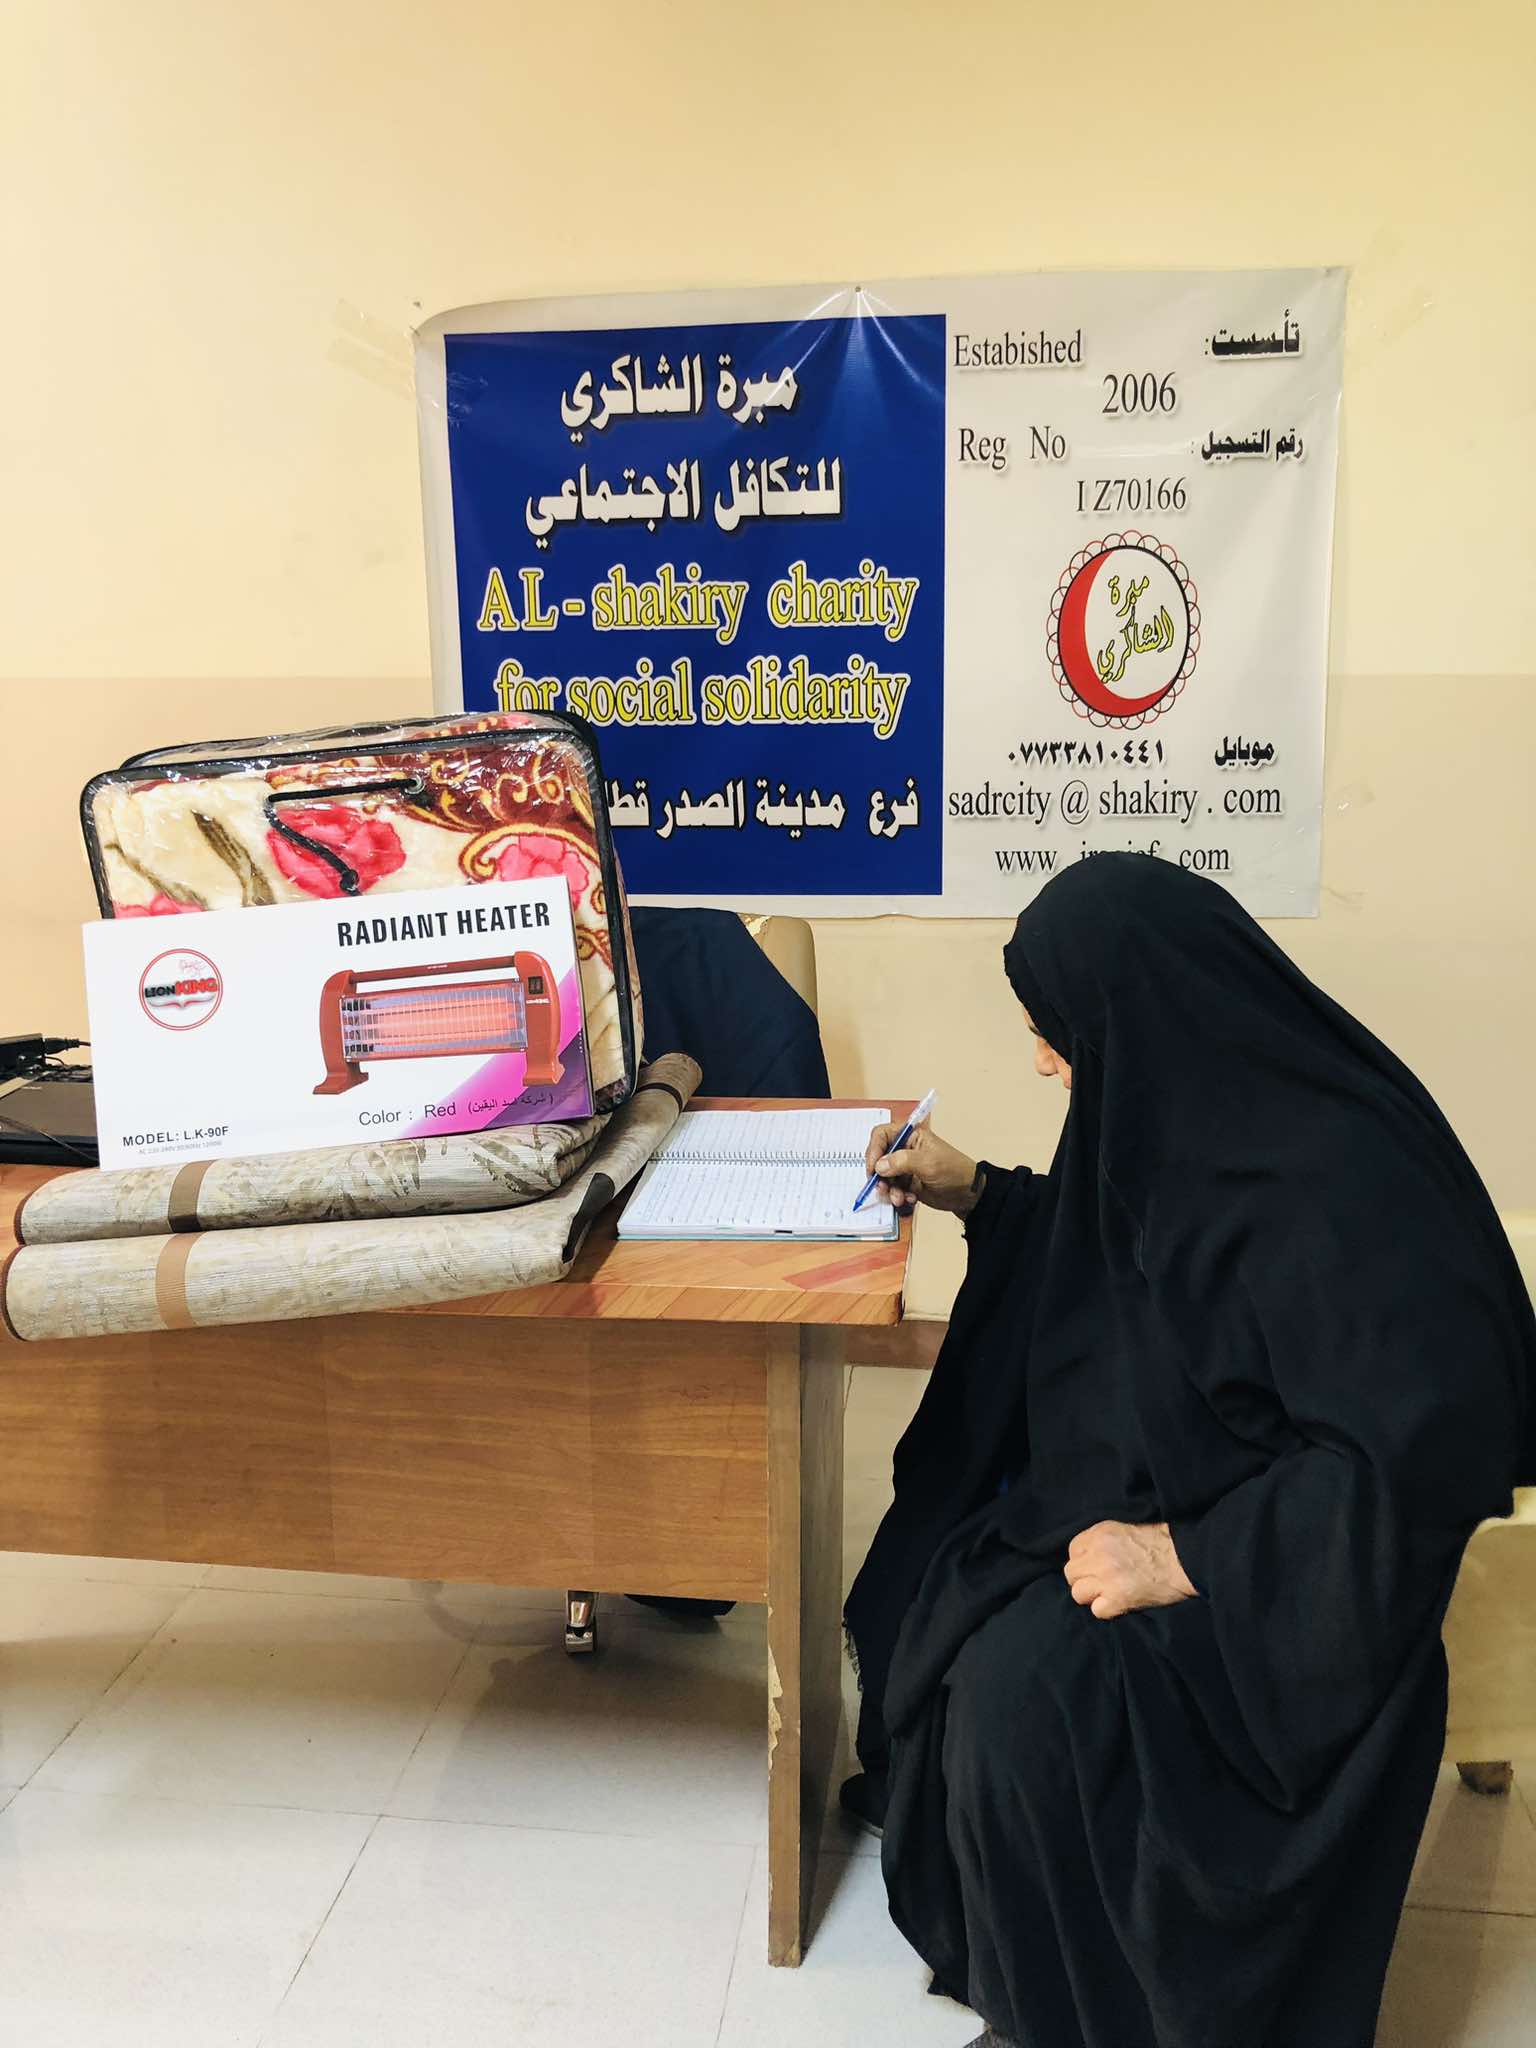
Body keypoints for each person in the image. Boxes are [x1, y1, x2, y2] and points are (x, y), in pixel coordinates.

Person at [842, 854, 1536, 2048]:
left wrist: (1185, 1555)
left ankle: (1088, 2019)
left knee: (1023, 1694)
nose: (1045, 1061)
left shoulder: (1345, 1178)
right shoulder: (1190, 1097)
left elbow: (1417, 1457)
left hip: (1299, 1579)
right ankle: (1034, 1969)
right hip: (1179, 1492)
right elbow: (1118, 1247)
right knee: (930, 1578)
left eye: (1052, 1030)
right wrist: (978, 1192)